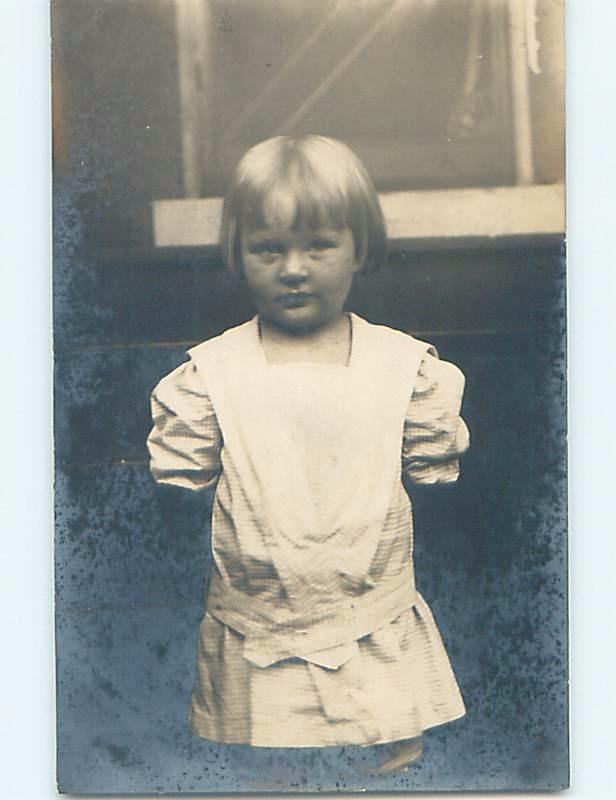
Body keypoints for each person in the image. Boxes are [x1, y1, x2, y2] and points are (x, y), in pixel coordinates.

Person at [147, 135, 470, 772]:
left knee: (386, 774)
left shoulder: (404, 369)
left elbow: (433, 474)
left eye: (318, 245)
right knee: (271, 772)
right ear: (238, 253)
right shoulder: (211, 375)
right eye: (270, 248)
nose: (294, 268)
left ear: (359, 248)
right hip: (259, 621)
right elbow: (180, 490)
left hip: (372, 612)